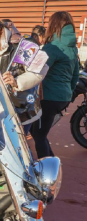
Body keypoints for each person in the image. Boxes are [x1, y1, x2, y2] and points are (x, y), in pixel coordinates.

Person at [0, 11, 48, 134]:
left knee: (18, 152)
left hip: (19, 113)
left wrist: (17, 82)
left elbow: (41, 68)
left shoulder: (17, 47)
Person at [31, 11, 79, 158]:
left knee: (38, 134)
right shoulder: (72, 47)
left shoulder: (52, 48)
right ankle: (51, 162)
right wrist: (68, 93)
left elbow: (35, 72)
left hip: (49, 97)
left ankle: (48, 171)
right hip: (63, 97)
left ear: (53, 25)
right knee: (40, 132)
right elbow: (75, 74)